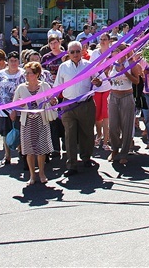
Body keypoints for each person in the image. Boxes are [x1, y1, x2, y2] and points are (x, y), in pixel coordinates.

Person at [54, 41, 100, 176]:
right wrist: (53, 98)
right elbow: (58, 86)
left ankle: (86, 158)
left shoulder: (89, 65)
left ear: (82, 52)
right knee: (70, 135)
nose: (75, 54)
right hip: (68, 106)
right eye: (72, 52)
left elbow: (98, 81)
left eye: (77, 51)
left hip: (86, 104)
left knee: (87, 133)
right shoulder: (63, 67)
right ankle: (72, 164)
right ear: (68, 53)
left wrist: (98, 82)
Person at [13, 61, 55, 185]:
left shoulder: (44, 86)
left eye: (30, 73)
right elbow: (14, 103)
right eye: (26, 73)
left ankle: (41, 173)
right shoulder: (21, 88)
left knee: (41, 150)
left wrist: (53, 101)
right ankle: (32, 175)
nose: (27, 75)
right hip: (27, 122)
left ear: (37, 74)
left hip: (41, 121)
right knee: (29, 150)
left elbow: (52, 100)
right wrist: (19, 104)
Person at [108, 43, 142, 165]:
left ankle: (124, 152)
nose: (115, 53)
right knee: (113, 125)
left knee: (126, 126)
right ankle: (114, 149)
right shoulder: (111, 64)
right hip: (113, 96)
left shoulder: (131, 64)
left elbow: (136, 81)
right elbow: (106, 77)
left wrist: (126, 72)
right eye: (114, 51)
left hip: (127, 96)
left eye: (118, 50)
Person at [0, 51, 25, 166]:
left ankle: (21, 152)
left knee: (19, 132)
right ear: (7, 62)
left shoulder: (23, 74)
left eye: (15, 61)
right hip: (4, 110)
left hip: (20, 110)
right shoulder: (0, 74)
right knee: (5, 133)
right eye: (11, 61)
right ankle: (7, 155)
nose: (13, 63)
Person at [91, 33, 112, 150]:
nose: (103, 41)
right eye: (101, 39)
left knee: (106, 114)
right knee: (97, 114)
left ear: (109, 41)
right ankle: (98, 135)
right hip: (96, 88)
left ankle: (106, 141)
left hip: (109, 87)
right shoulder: (95, 53)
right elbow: (91, 68)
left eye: (105, 39)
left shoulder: (112, 53)